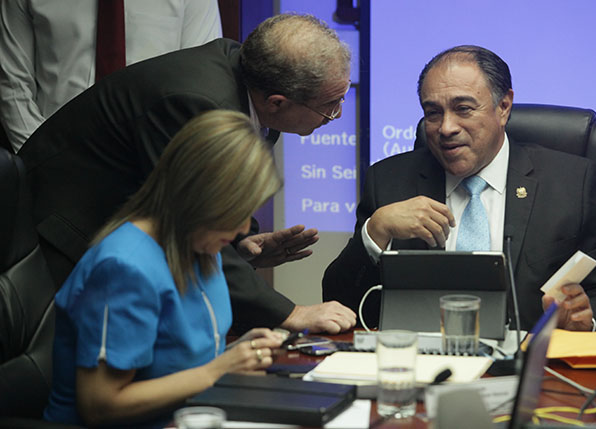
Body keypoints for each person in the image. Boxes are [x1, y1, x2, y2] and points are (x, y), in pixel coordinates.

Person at [18, 13, 356, 334]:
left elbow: (209, 205)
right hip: (60, 234)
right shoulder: (198, 104)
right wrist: (292, 314)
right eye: (331, 104)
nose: (335, 115)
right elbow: (186, 224)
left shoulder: (254, 76)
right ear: (277, 103)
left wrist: (240, 242)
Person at [323, 45, 596, 331]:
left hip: (529, 373)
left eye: (463, 108)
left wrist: (586, 317)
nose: (446, 128)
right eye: (433, 113)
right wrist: (374, 232)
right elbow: (339, 302)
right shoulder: (389, 181)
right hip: (423, 368)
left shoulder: (570, 182)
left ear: (503, 107)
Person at [43, 110, 286, 427]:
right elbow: (100, 405)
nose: (243, 228)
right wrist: (218, 369)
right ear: (201, 199)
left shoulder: (199, 245)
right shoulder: (123, 267)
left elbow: (179, 360)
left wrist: (239, 352)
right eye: (236, 211)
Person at [0, 0, 223, 153]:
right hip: (54, 165)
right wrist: (40, 160)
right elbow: (13, 83)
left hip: (156, 170)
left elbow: (202, 84)